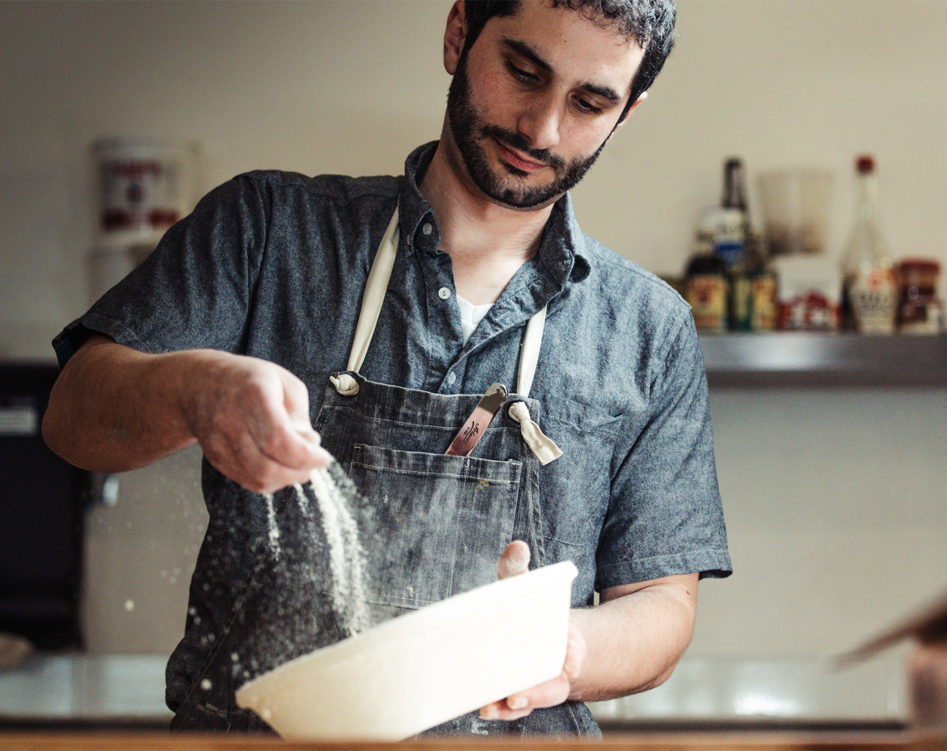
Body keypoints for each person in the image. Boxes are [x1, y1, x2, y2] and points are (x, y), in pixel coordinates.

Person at [43, 0, 731, 737]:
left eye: (590, 102)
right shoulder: (269, 231)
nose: (542, 128)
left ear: (626, 112)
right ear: (459, 33)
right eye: (523, 72)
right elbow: (74, 416)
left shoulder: (647, 327)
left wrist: (561, 647)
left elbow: (662, 601)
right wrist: (191, 391)